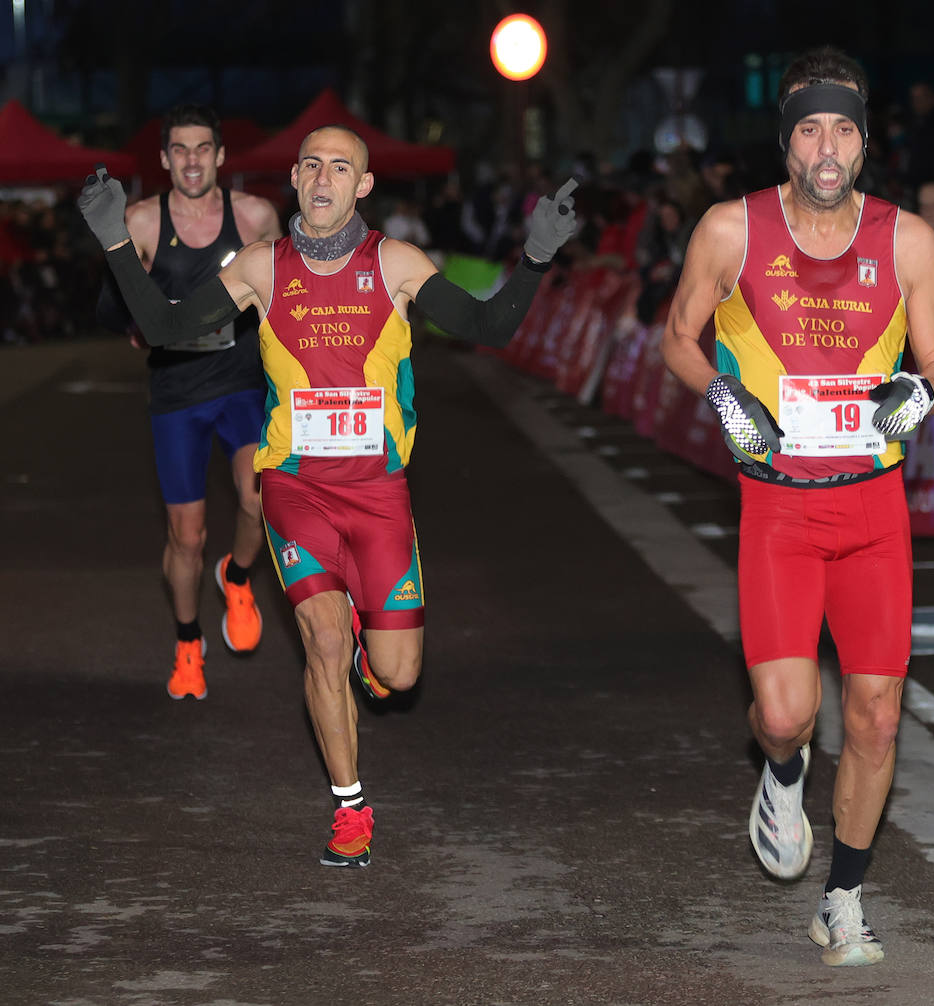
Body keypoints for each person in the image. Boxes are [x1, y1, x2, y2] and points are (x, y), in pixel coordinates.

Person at [80, 125, 577, 869]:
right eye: (310, 164)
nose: (322, 177)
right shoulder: (261, 267)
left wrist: (536, 255)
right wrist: (117, 241)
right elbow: (164, 327)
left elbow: (486, 325)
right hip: (295, 487)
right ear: (295, 178)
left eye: (339, 167)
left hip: (377, 492)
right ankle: (349, 805)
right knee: (321, 640)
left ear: (362, 186)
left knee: (399, 674)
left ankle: (369, 657)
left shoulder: (397, 263)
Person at [660, 47, 934, 968]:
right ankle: (781, 773)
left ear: (863, 141)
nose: (828, 148)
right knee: (787, 715)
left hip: (873, 512)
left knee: (874, 717)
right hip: (780, 510)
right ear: (787, 143)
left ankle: (845, 898)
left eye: (844, 130)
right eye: (810, 130)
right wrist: (724, 397)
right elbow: (677, 339)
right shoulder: (729, 229)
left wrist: (919, 394)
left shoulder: (907, 239)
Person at [96, 104, 282, 700]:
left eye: (203, 148)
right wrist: (131, 319)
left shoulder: (255, 216)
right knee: (188, 537)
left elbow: (289, 293)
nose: (192, 160)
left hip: (243, 383)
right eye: (180, 149)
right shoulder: (142, 222)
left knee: (260, 504)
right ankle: (186, 642)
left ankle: (238, 576)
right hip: (176, 391)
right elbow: (109, 303)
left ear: (221, 156)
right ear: (164, 159)